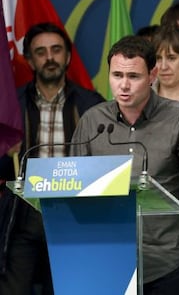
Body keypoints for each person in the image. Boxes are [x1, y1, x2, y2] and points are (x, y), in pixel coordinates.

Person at [70, 35, 179, 295]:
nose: (123, 85)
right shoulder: (93, 120)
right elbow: (73, 185)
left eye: (133, 77)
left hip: (163, 263)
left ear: (152, 75)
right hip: (106, 259)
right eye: (117, 75)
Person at [0, 22, 105, 295]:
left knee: (67, 291)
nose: (50, 58)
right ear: (30, 60)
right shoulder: (12, 105)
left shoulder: (91, 104)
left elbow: (107, 161)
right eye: (41, 52)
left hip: (74, 218)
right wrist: (4, 149)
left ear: (68, 57)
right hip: (22, 217)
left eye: (56, 50)